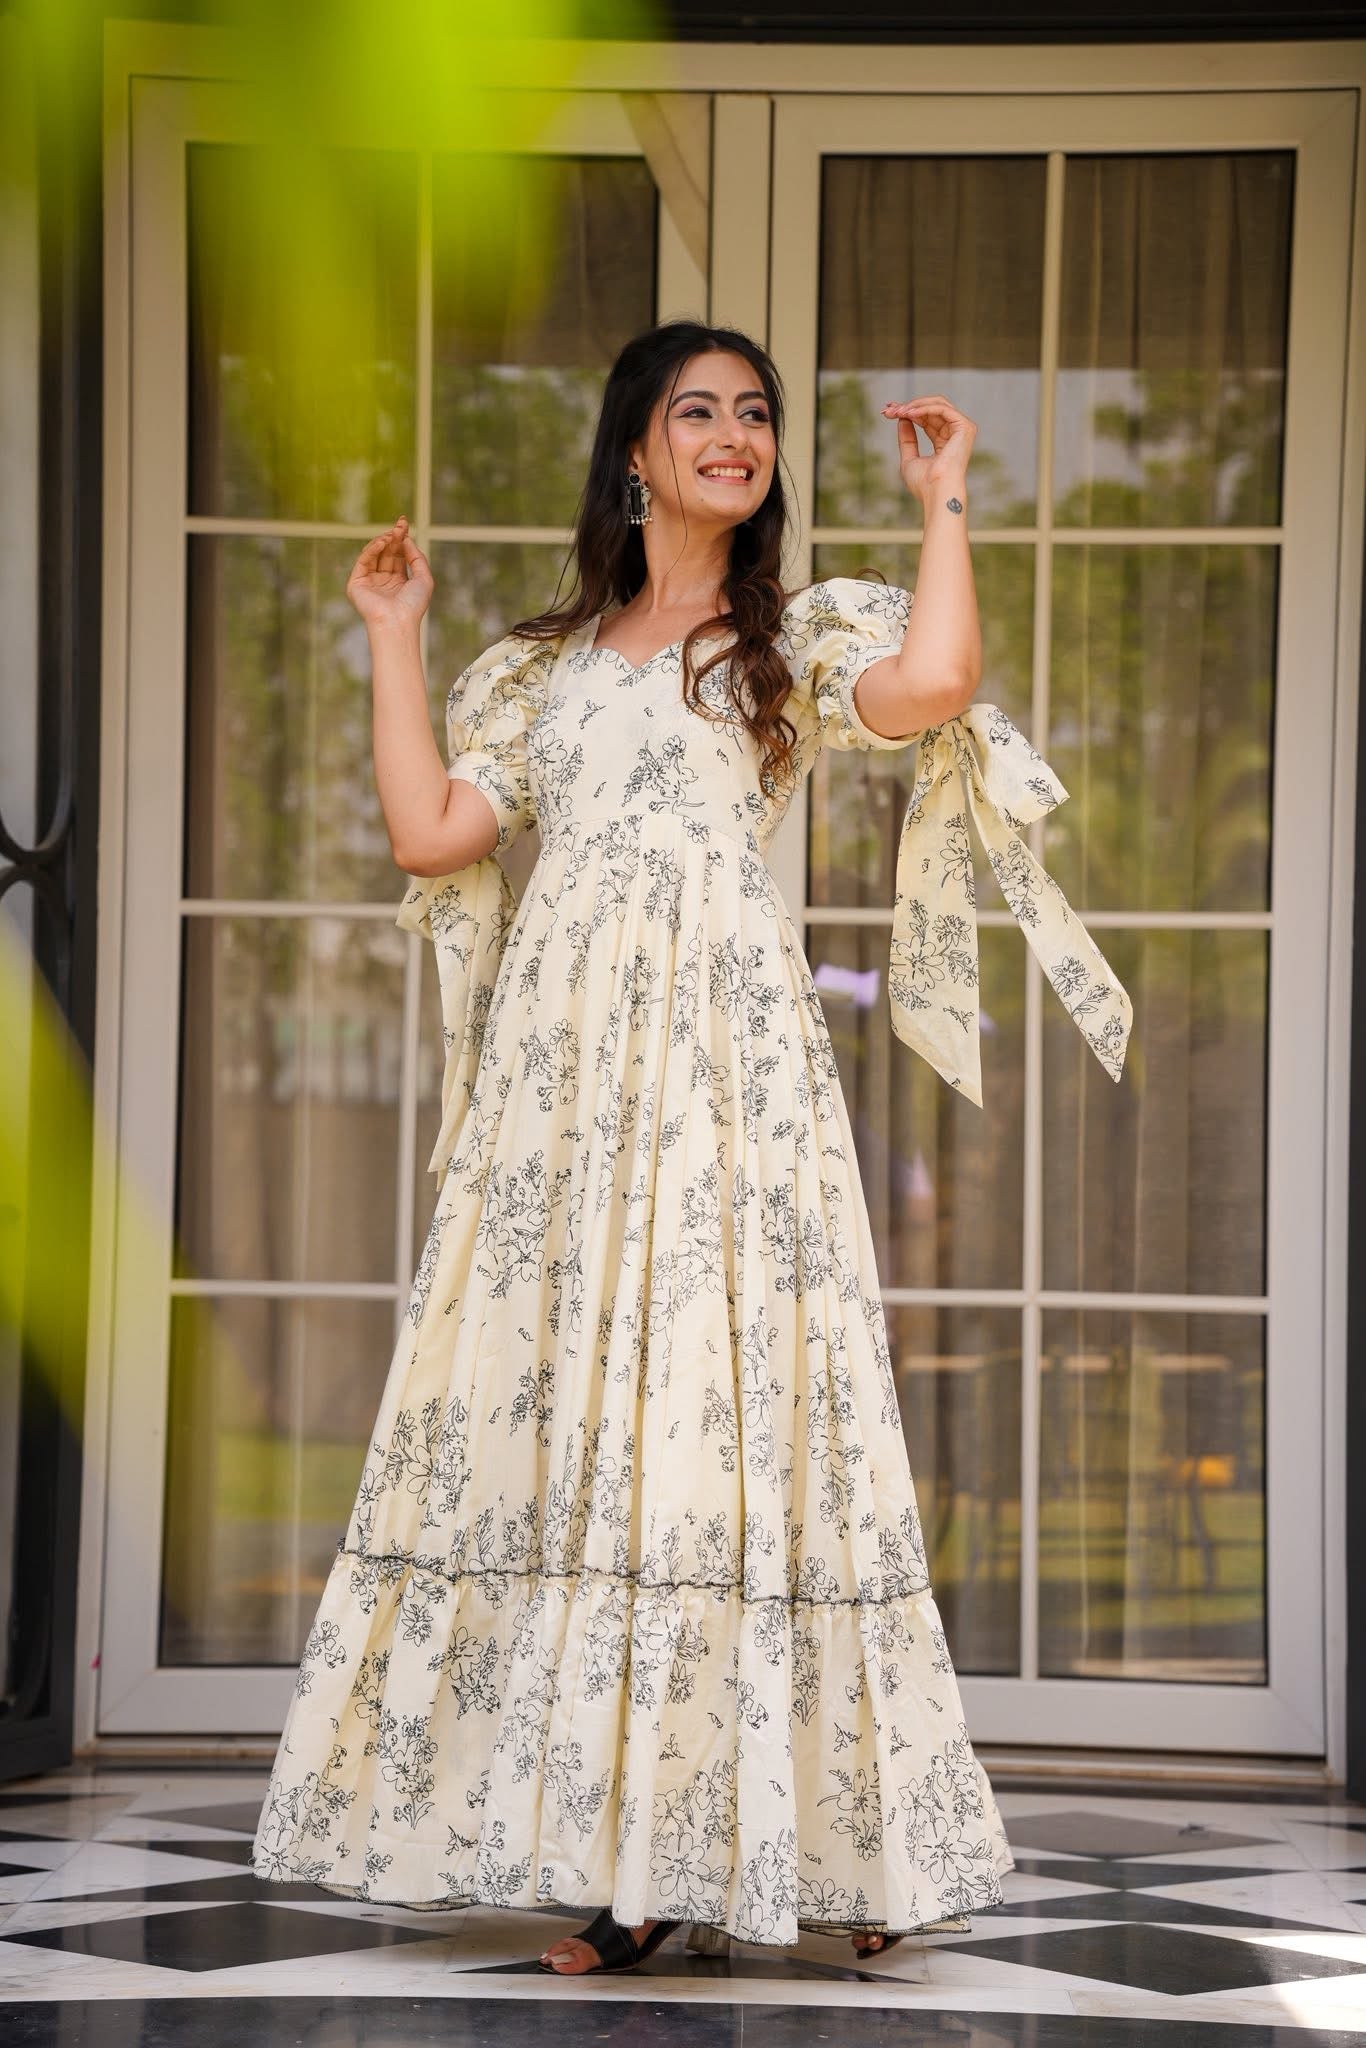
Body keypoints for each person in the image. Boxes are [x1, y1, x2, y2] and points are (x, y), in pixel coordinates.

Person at [251, 318, 1129, 1976]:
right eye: (696, 411)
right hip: (563, 1100)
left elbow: (935, 684)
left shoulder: (786, 636)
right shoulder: (546, 665)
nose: (733, 432)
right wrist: (392, 633)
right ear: (636, 454)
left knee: (734, 1425)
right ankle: (626, 1849)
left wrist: (944, 503)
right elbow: (433, 828)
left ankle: (808, 1844)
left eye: (755, 414)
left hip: (727, 1085)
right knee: (591, 1427)